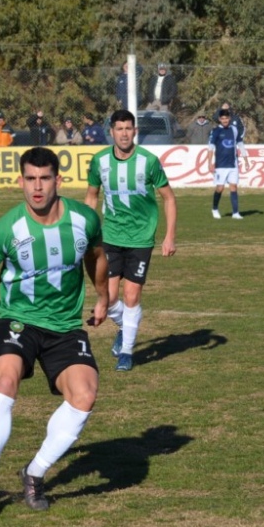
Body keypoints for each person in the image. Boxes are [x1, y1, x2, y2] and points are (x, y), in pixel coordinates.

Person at [0, 147, 108, 513]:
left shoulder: (85, 220)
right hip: (18, 320)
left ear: (58, 180)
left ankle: (34, 473)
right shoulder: (8, 227)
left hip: (66, 326)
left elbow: (97, 257)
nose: (37, 188)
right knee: (5, 381)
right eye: (30, 179)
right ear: (20, 181)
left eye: (45, 179)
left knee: (84, 395)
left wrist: (103, 297)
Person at [85, 109, 177, 372]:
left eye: (128, 128)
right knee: (109, 297)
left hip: (141, 238)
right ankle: (127, 326)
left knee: (131, 294)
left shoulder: (148, 161)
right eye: (119, 129)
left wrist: (169, 236)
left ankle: (126, 352)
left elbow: (169, 198)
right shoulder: (99, 161)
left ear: (134, 131)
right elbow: (91, 196)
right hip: (110, 237)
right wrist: (87, 231)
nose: (124, 133)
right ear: (111, 132)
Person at [208, 109, 249, 220]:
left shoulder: (234, 130)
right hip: (220, 165)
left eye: (227, 118)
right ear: (220, 119)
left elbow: (240, 143)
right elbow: (211, 148)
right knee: (220, 188)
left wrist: (245, 159)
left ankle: (235, 213)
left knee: (233, 187)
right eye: (223, 118)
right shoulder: (215, 131)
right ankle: (215, 208)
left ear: (229, 119)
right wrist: (210, 163)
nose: (225, 120)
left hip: (233, 164)